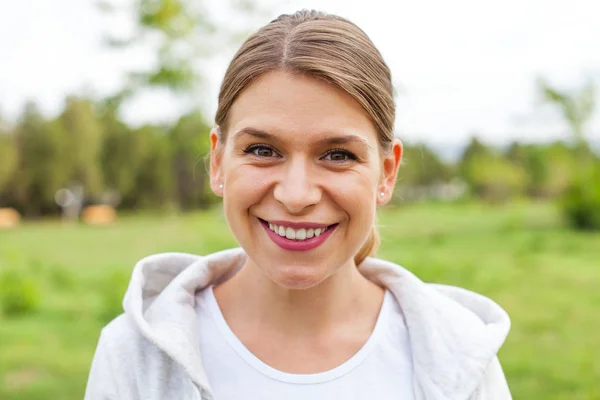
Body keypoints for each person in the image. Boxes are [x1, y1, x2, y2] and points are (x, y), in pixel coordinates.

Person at [84, 9, 511, 400]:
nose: (297, 194)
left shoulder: (462, 360)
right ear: (218, 162)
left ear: (387, 173)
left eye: (338, 155)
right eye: (263, 150)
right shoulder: (134, 358)